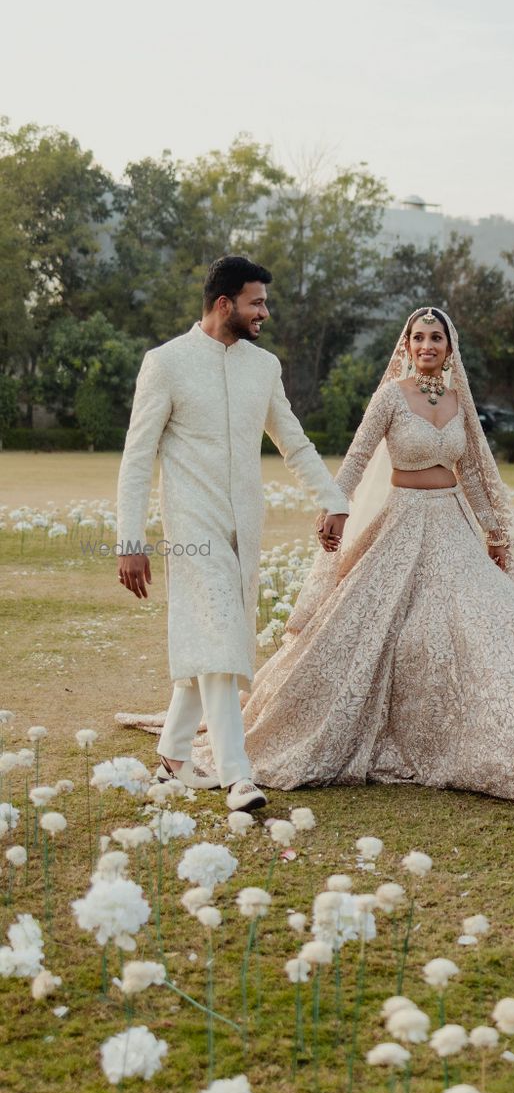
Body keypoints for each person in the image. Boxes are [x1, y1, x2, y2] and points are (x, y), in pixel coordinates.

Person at [238, 306, 514, 799]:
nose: (427, 346)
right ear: (406, 347)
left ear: (450, 349)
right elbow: (359, 456)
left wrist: (495, 535)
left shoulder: (458, 402)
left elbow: (473, 472)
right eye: (419, 338)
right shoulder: (391, 396)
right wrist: (333, 506)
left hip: (453, 524)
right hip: (403, 523)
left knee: (483, 625)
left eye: (436, 338)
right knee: (381, 629)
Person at [115, 255, 349, 811]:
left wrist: (333, 498)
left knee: (214, 640)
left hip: (245, 527)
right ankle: (235, 775)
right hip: (191, 526)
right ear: (225, 304)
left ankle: (173, 756)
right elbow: (137, 457)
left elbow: (292, 441)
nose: (264, 311)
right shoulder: (166, 363)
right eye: (257, 302)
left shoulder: (263, 367)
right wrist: (130, 540)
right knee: (219, 638)